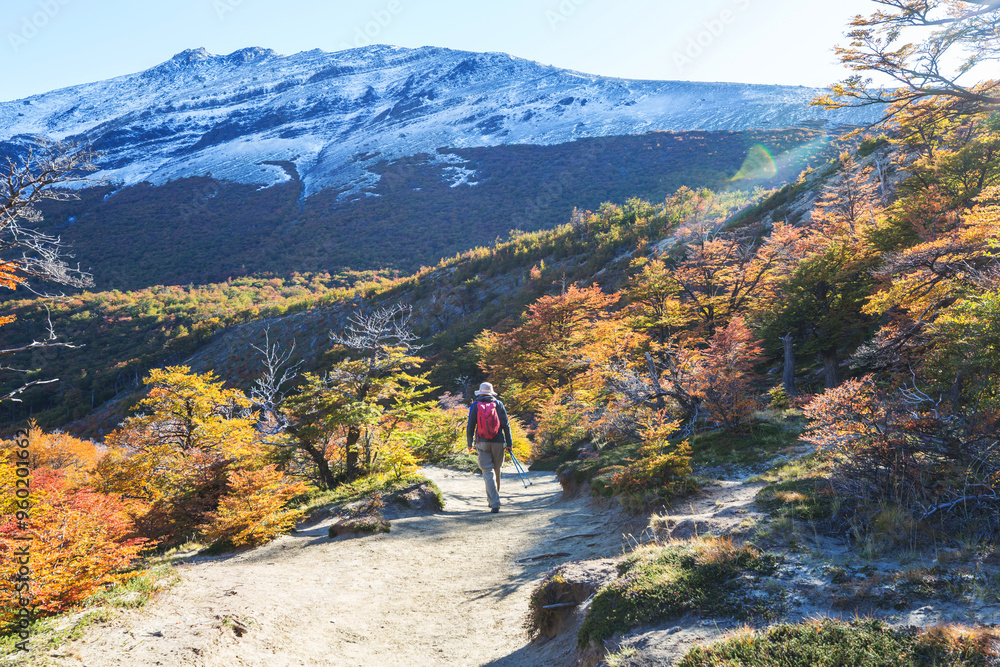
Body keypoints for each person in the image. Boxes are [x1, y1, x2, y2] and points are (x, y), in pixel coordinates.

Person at [466, 382, 513, 513]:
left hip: (482, 443)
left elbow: (470, 425)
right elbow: (506, 425)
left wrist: (469, 443)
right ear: (491, 393)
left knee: (487, 472)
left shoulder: (475, 405)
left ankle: (494, 502)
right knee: (497, 471)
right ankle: (494, 500)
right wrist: (509, 443)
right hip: (498, 442)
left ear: (480, 393)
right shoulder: (498, 404)